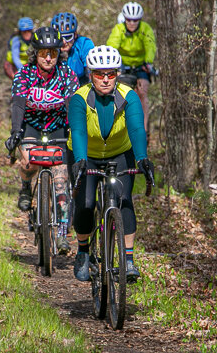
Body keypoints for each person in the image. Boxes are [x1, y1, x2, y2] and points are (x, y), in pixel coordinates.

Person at [67, 45, 155, 283]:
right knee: (85, 204)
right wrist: (81, 160)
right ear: (90, 74)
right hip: (87, 154)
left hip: (119, 152)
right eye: (99, 74)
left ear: (117, 74)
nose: (105, 79)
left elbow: (137, 128)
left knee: (124, 200)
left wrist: (142, 158)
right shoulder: (79, 98)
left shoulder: (128, 96)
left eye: (111, 74)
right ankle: (84, 252)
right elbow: (78, 131)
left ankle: (128, 260)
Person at [5, 26, 79, 254]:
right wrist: (16, 131)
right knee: (29, 161)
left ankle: (61, 234)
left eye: (53, 53)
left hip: (57, 127)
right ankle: (26, 188)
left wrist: (75, 131)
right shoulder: (24, 74)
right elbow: (18, 103)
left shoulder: (67, 74)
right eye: (44, 52)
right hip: (32, 126)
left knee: (61, 179)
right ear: (35, 53)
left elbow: (72, 105)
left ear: (59, 54)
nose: (48, 58)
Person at [106, 2, 157, 137]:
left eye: (135, 20)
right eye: (129, 20)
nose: (132, 23)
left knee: (142, 91)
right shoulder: (119, 29)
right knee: (118, 92)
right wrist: (113, 64)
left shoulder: (145, 29)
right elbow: (112, 45)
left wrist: (148, 62)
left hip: (141, 65)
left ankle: (143, 130)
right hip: (123, 64)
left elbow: (150, 46)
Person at [50, 12, 95, 86]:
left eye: (68, 37)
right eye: (60, 38)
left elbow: (90, 71)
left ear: (75, 34)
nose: (64, 42)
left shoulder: (84, 44)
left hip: (81, 84)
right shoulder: (50, 47)